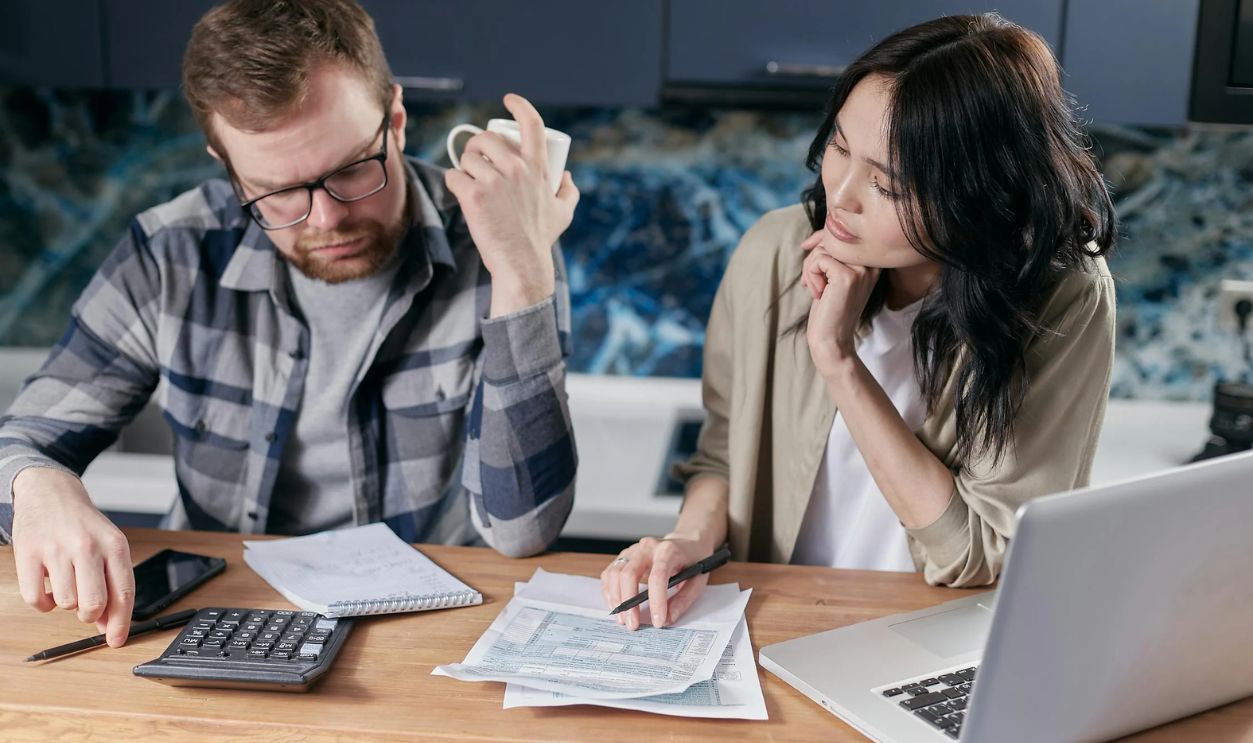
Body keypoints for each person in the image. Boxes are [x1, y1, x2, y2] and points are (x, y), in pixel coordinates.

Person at [0, 0, 579, 647]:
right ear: (226, 166)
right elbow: (23, 439)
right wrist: (38, 487)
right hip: (216, 621)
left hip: (423, 633)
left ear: (394, 118)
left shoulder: (500, 241)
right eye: (277, 192)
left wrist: (522, 275)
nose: (325, 220)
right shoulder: (170, 252)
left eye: (350, 170)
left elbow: (523, 527)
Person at [602, 13, 1116, 630]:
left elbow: (976, 554)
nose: (841, 195)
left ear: (975, 194)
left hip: (935, 641)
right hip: (778, 624)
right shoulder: (775, 251)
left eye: (887, 184)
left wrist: (838, 359)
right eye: (840, 147)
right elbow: (723, 454)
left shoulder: (1061, 299)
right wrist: (688, 541)